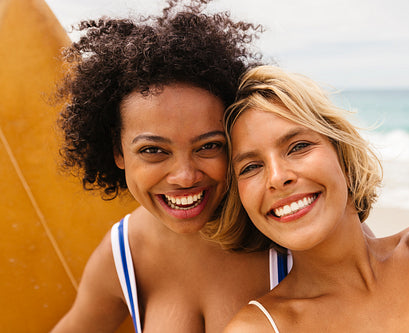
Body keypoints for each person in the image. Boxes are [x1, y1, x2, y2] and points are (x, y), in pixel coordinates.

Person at [50, 1, 290, 332]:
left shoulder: (291, 230)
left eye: (209, 146)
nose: (185, 176)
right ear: (118, 151)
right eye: (153, 150)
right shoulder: (124, 255)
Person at [217, 65, 409, 332]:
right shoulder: (259, 328)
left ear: (344, 157)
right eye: (251, 167)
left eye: (298, 146)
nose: (277, 177)